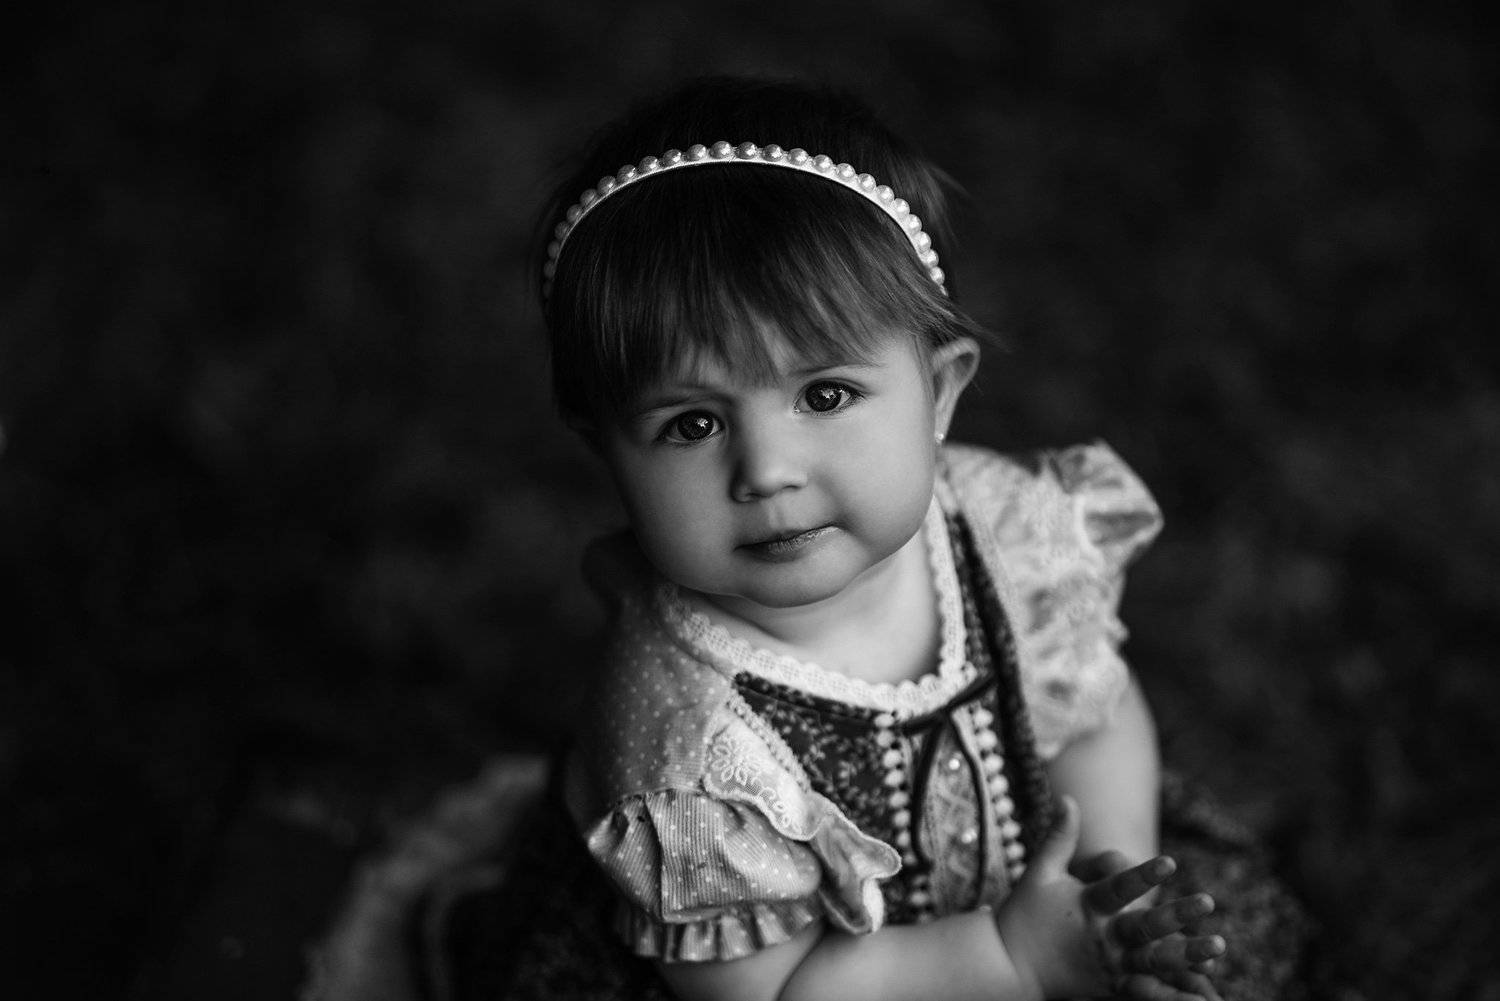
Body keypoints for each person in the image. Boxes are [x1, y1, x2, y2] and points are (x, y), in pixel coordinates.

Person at [538, 76, 1227, 1001]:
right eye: (692, 423)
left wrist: (1109, 880)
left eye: (825, 394)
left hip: (1034, 903)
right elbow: (767, 990)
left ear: (939, 393)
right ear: (606, 452)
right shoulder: (687, 750)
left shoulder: (1002, 530)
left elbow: (1092, 716)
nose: (767, 470)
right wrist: (1016, 961)